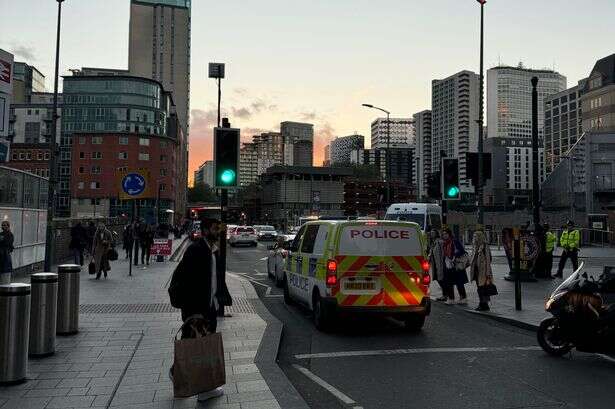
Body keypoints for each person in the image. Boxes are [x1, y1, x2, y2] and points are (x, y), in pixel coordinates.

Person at [168, 218, 224, 401]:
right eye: (216, 229)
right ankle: (204, 390)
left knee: (197, 346)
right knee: (199, 347)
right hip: (198, 309)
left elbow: (214, 279)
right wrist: (194, 311)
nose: (219, 232)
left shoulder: (213, 250)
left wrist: (219, 300)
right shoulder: (196, 250)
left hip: (209, 307)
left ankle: (178, 373)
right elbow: (188, 281)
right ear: (207, 230)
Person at [442, 228, 468, 305]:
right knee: (449, 282)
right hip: (449, 264)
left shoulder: (454, 241)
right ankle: (451, 298)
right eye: (443, 234)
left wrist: (454, 256)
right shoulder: (445, 243)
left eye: (446, 234)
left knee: (459, 282)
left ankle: (463, 298)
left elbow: (462, 251)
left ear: (449, 234)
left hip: (456, 265)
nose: (444, 235)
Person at [470, 230, 494, 311]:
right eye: (474, 236)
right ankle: (482, 303)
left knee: (483, 288)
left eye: (476, 236)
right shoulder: (475, 246)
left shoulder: (485, 246)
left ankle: (484, 304)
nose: (474, 238)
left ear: (480, 237)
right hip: (477, 270)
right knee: (479, 287)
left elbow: (488, 259)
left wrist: (487, 272)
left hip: (483, 271)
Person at [428, 229, 447, 302]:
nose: (432, 234)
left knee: (441, 279)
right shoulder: (433, 242)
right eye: (431, 233)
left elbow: (442, 253)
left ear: (436, 234)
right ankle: (444, 294)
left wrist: (443, 263)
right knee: (437, 278)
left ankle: (445, 295)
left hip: (440, 263)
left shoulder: (440, 242)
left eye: (433, 233)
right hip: (435, 263)